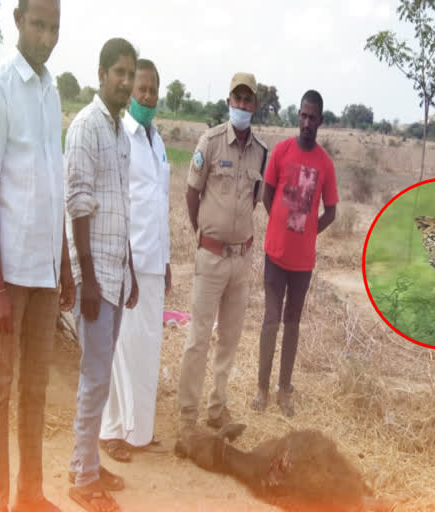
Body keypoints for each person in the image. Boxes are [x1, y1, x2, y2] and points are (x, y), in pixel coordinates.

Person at [0, 0, 74, 511]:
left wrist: (66, 268)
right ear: (17, 20)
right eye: (39, 24)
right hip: (8, 273)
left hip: (44, 272)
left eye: (54, 27)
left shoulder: (52, 91)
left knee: (35, 391)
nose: (47, 36)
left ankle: (29, 495)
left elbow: (52, 186)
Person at [175, 72, 268, 456]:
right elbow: (192, 193)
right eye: (237, 99)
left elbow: (255, 200)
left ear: (255, 106)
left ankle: (217, 408)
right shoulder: (210, 142)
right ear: (229, 101)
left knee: (229, 339)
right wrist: (204, 235)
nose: (242, 106)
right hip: (210, 257)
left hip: (241, 260)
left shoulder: (262, 152)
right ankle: (187, 417)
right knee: (198, 339)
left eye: (249, 101)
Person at [64, 38, 138, 512]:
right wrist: (87, 280)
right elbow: (78, 205)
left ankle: (87, 461)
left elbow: (122, 208)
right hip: (95, 276)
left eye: (130, 74)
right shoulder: (86, 128)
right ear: (100, 75)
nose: (127, 83)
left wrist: (128, 269)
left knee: (101, 374)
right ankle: (81, 477)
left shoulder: (121, 134)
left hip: (116, 271)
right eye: (119, 73)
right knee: (93, 378)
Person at [99, 58, 171, 462]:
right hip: (127, 264)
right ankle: (111, 433)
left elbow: (160, 204)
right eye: (141, 88)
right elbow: (118, 205)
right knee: (120, 349)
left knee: (147, 349)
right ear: (130, 93)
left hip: (154, 263)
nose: (147, 96)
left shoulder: (157, 141)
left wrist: (167, 261)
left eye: (153, 89)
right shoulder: (120, 137)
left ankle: (139, 432)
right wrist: (124, 264)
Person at [250, 90, 338, 417]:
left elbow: (331, 212)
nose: (306, 122)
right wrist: (279, 224)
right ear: (297, 116)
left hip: (303, 263)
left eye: (312, 117)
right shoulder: (282, 152)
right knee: (271, 321)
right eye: (302, 115)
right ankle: (261, 388)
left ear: (320, 121)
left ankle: (283, 390)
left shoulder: (325, 164)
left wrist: (309, 230)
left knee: (292, 324)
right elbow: (266, 193)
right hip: (275, 255)